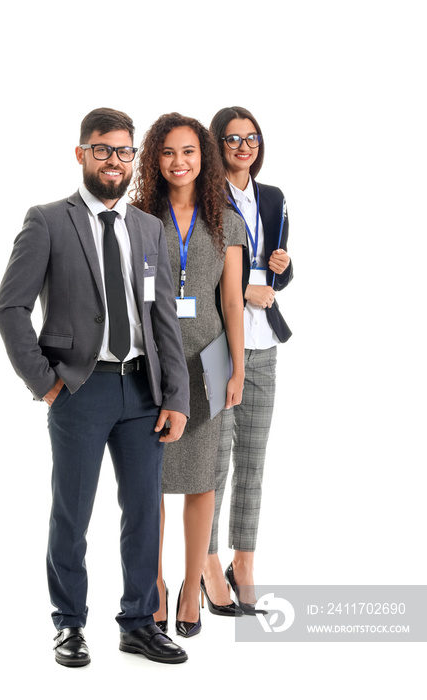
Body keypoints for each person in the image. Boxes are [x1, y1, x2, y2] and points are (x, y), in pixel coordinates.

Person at [0, 108, 191, 666]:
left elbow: (164, 321)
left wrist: (175, 397)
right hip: (79, 392)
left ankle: (137, 622)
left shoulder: (148, 228)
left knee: (144, 513)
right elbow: (10, 308)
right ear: (81, 154)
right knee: (72, 513)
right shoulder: (48, 220)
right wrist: (48, 386)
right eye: (102, 150)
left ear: (133, 159)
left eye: (124, 151)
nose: (114, 161)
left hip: (143, 394)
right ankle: (70, 624)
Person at [132, 113, 245, 637]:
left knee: (201, 481)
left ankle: (189, 585)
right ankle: (151, 585)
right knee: (147, 482)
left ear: (205, 157)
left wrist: (239, 368)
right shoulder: (138, 216)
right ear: (155, 158)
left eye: (190, 152)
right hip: (149, 363)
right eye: (168, 152)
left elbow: (231, 301)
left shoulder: (226, 219)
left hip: (206, 364)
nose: (180, 162)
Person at [203, 106, 293, 615]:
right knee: (215, 460)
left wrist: (282, 268)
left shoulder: (274, 197)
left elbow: (277, 267)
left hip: (264, 344)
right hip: (218, 344)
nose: (244, 146)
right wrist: (247, 289)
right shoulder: (204, 196)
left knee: (254, 461)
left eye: (251, 137)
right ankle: (208, 562)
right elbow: (198, 273)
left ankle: (245, 561)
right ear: (218, 144)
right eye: (233, 138)